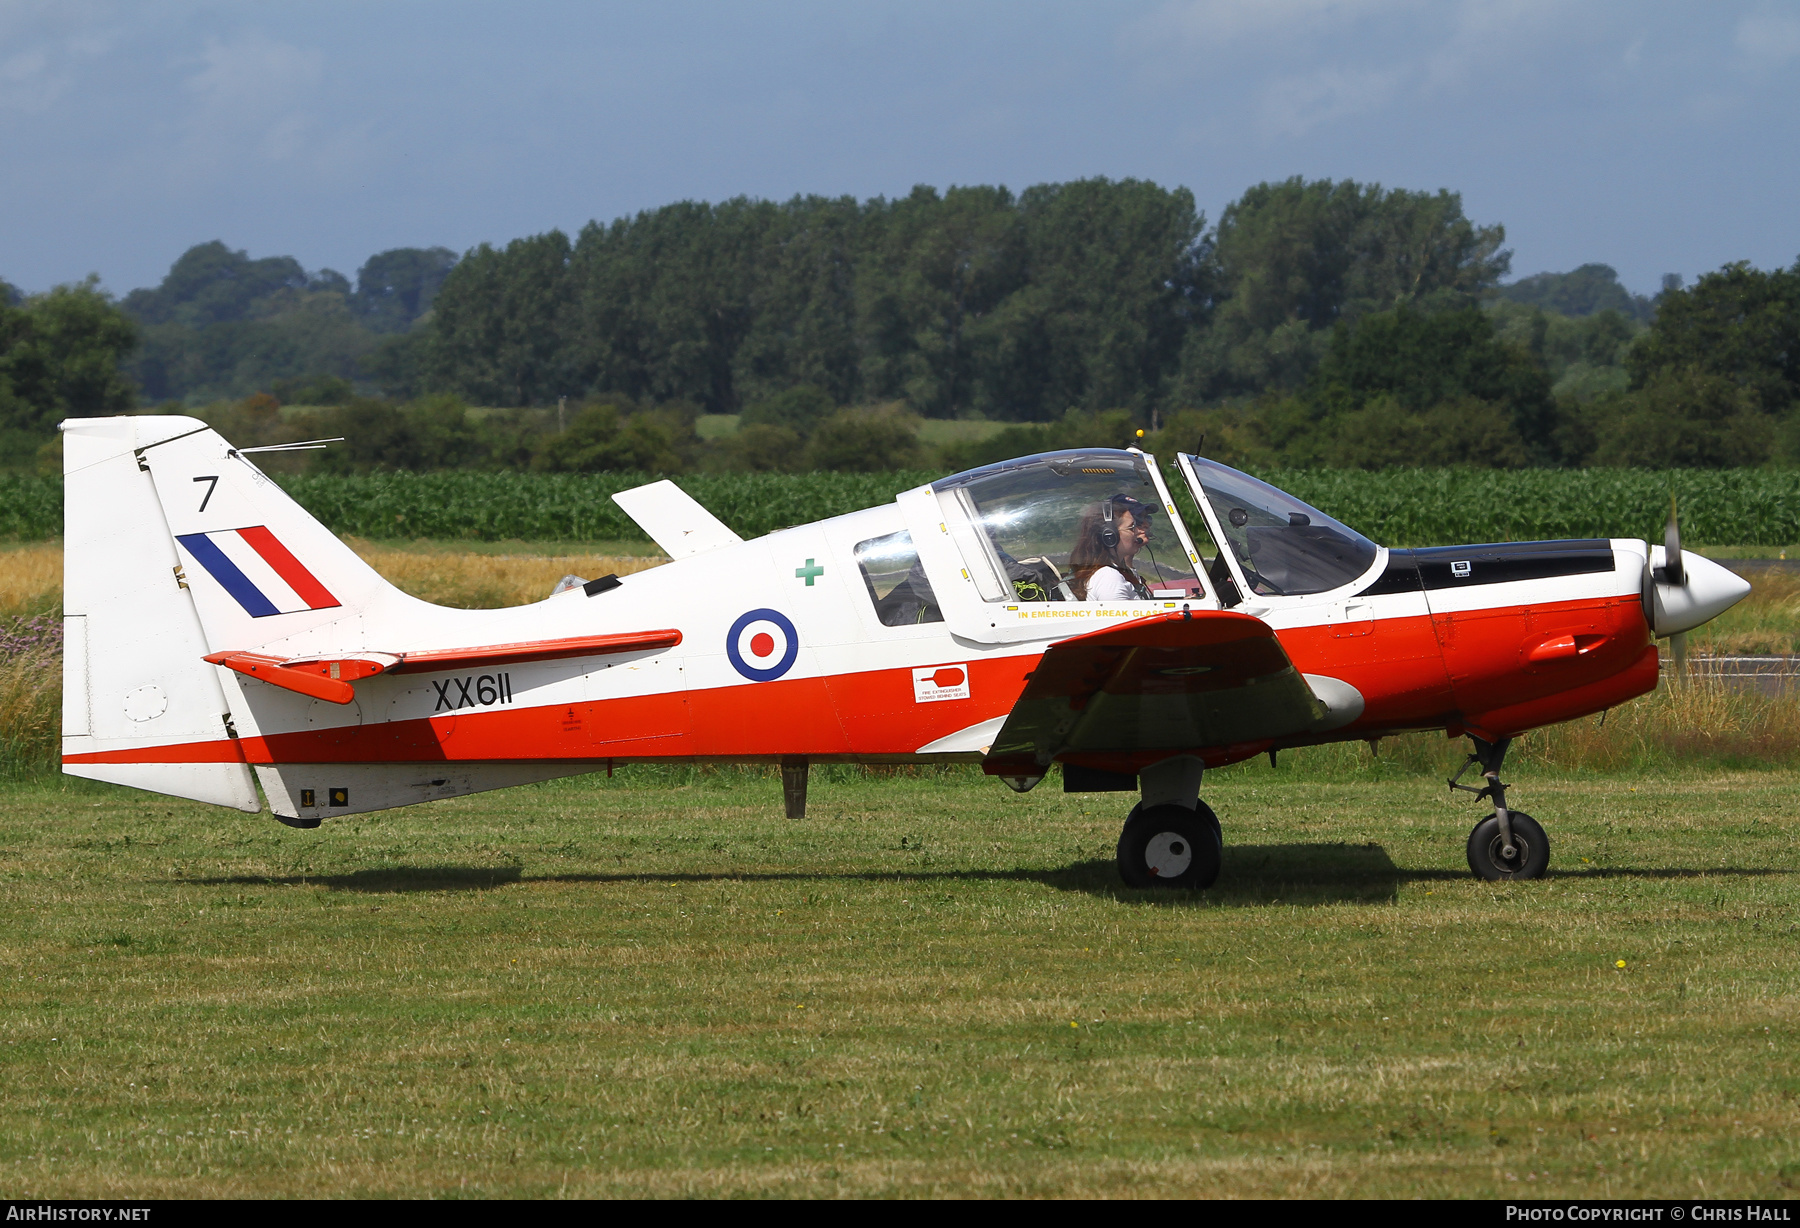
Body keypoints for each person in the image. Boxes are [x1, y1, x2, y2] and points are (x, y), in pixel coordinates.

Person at [1069, 496, 1154, 601]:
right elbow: (1123, 617)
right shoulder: (1109, 578)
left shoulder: (1111, 572)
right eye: (1132, 527)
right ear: (1110, 536)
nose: (1137, 532)